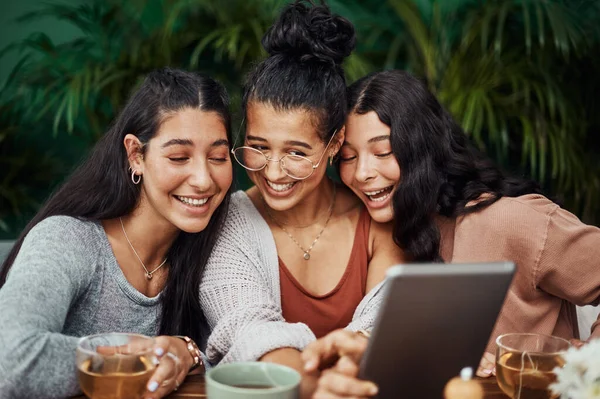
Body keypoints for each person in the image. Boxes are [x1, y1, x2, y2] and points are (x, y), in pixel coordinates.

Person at [302, 68, 600, 398]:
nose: (361, 173)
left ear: (422, 147)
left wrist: (588, 362)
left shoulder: (507, 220)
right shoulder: (392, 231)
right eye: (348, 157)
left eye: (383, 152)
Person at [199, 1, 401, 397]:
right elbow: (250, 333)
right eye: (258, 147)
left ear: (334, 144)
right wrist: (324, 385)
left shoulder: (376, 219)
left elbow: (382, 332)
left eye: (296, 153)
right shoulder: (227, 221)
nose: (273, 172)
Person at [0, 68, 233, 399]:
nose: (203, 179)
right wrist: (138, 353)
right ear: (136, 155)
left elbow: (234, 367)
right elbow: (9, 358)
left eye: (218, 157)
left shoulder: (210, 247)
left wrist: (187, 354)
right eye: (179, 157)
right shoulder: (68, 240)